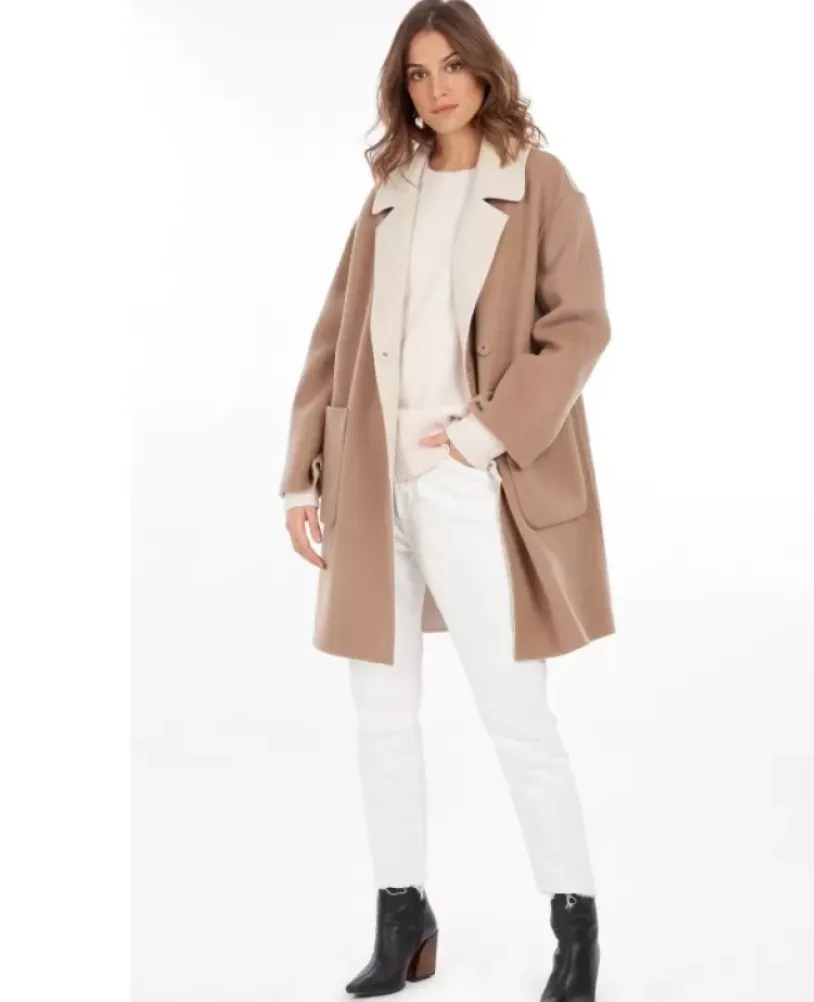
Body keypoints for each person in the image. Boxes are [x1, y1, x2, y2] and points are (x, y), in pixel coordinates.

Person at [278, 1, 615, 998]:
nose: (437, 89)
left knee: (519, 721)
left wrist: (480, 435)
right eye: (417, 74)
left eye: (451, 66)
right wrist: (304, 473)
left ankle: (576, 933)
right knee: (381, 719)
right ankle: (403, 917)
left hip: (475, 484)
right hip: (372, 486)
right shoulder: (391, 192)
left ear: (483, 69)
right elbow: (334, 338)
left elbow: (580, 327)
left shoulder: (539, 183)